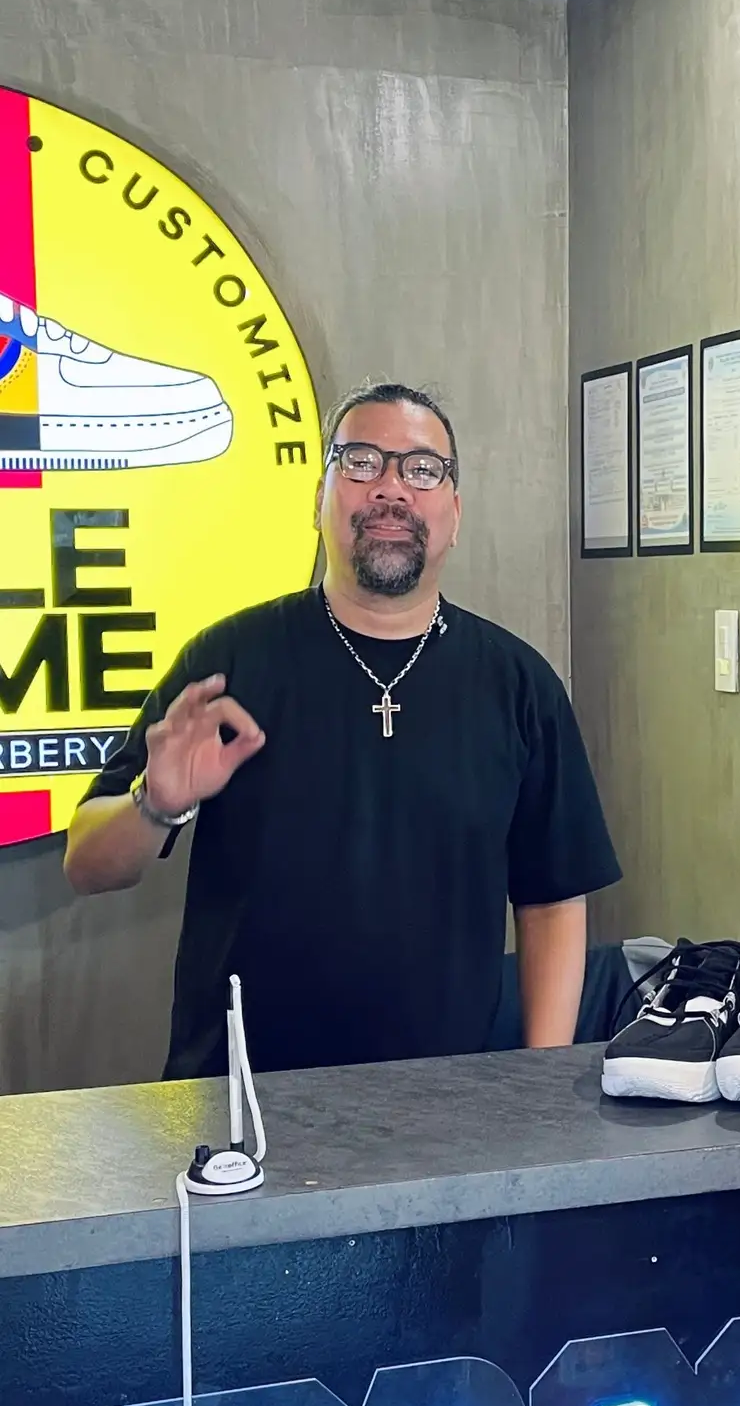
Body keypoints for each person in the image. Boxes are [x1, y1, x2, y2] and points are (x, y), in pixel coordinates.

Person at [65, 382, 619, 1076]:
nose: (391, 487)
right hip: (243, 1093)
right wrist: (156, 802)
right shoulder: (228, 660)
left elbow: (553, 899)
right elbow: (87, 865)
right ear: (320, 498)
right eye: (361, 461)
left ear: (455, 513)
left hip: (451, 1095)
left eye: (422, 469)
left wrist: (538, 1081)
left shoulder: (519, 685)